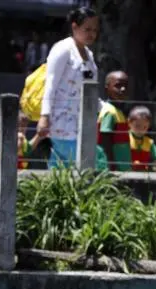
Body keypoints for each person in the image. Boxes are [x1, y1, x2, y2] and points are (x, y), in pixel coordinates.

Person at [37, 6, 100, 168]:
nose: (91, 34)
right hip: (62, 123)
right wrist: (45, 116)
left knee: (71, 166)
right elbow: (50, 83)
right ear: (74, 27)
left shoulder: (89, 54)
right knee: (71, 165)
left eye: (94, 30)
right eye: (87, 29)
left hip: (83, 124)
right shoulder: (63, 49)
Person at [97, 70, 130, 171]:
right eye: (118, 86)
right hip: (111, 168)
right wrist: (111, 165)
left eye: (126, 86)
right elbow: (105, 139)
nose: (123, 89)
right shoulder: (110, 112)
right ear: (107, 88)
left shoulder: (117, 111)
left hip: (120, 166)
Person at [127, 106, 156, 172]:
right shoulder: (125, 138)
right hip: (127, 173)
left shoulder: (149, 142)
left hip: (143, 176)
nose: (141, 130)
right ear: (129, 122)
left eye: (144, 127)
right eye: (137, 126)